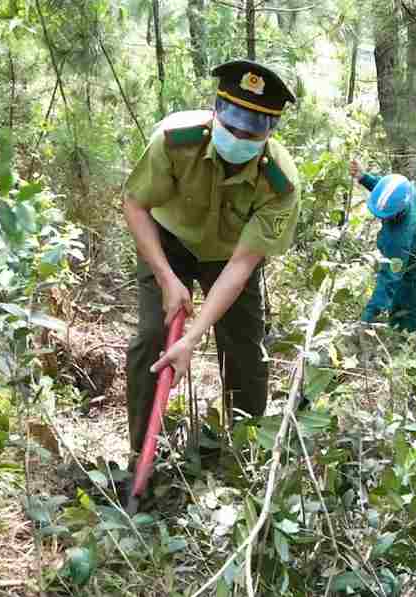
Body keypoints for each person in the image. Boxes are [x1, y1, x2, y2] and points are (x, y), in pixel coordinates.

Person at [122, 60, 300, 468]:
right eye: (231, 125)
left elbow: (240, 267)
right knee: (152, 338)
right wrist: (167, 278)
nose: (238, 137)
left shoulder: (280, 183)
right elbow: (135, 204)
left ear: (269, 133)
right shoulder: (174, 139)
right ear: (215, 111)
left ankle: (243, 454)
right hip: (168, 241)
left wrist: (193, 337)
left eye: (251, 133)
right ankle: (142, 454)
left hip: (229, 257)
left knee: (245, 353)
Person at [349, 159, 416, 336]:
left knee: (413, 319)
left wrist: (367, 318)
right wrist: (364, 178)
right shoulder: (409, 188)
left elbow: (388, 280)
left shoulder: (399, 239)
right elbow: (386, 190)